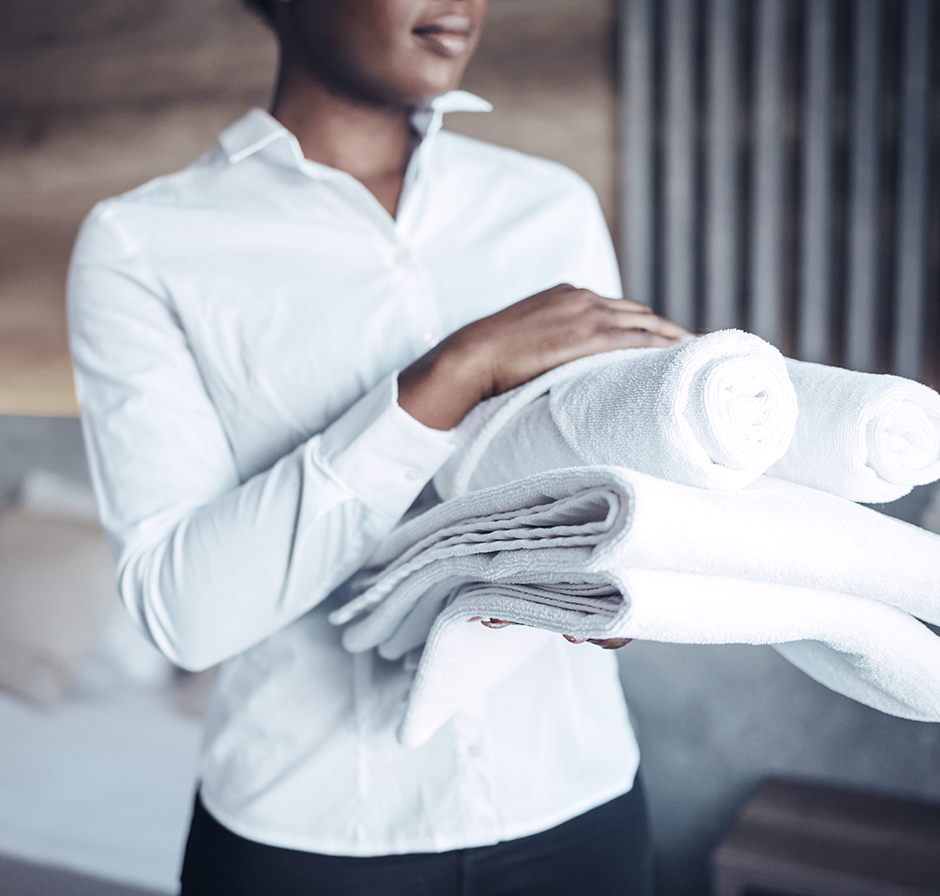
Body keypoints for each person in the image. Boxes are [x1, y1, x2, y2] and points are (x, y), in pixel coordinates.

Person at [67, 1, 692, 893]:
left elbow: (601, 487)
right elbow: (186, 615)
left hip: (579, 809)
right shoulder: (143, 246)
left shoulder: (549, 205)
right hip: (308, 843)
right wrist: (453, 371)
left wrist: (623, 574)